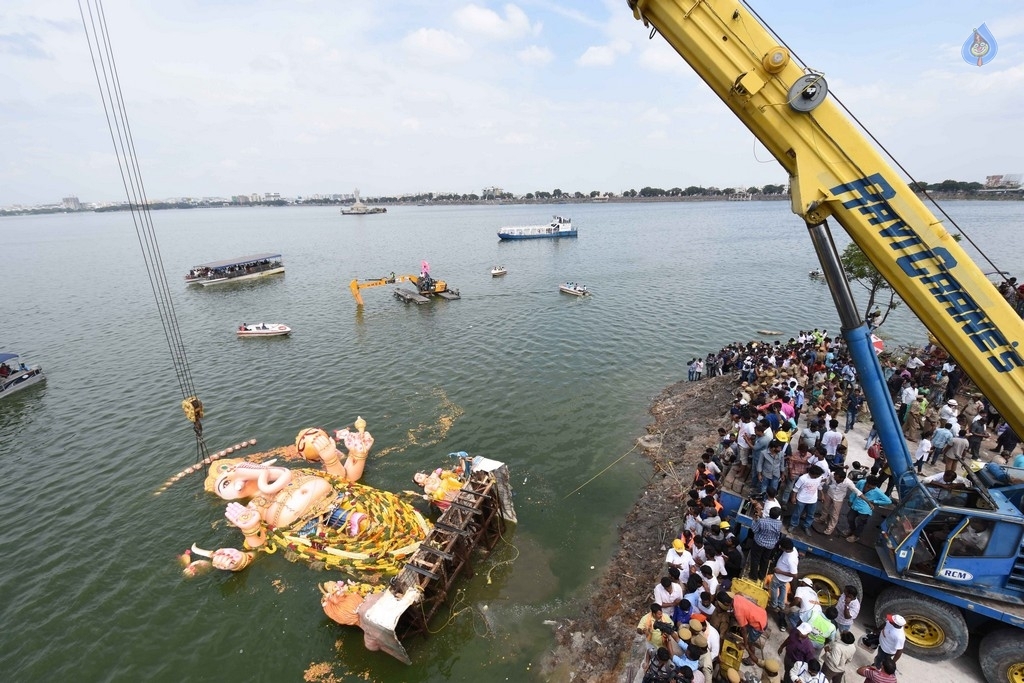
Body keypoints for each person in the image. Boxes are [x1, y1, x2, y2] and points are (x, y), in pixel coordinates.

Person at [844, 476, 889, 542]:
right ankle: (852, 529)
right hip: (855, 505)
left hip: (865, 510)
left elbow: (888, 501)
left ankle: (856, 535)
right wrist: (851, 500)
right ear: (867, 483)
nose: (874, 487)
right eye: (872, 485)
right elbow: (854, 491)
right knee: (850, 518)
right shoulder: (861, 482)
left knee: (861, 523)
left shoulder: (877, 491)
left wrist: (874, 501)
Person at [770, 538, 799, 630]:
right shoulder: (793, 549)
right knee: (783, 588)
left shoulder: (791, 559)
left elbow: (795, 574)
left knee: (773, 588)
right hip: (784, 579)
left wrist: (780, 571)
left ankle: (774, 604)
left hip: (780, 577)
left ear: (786, 549)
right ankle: (781, 604)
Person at [790, 465, 827, 534]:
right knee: (797, 513)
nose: (818, 477)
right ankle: (793, 525)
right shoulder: (802, 478)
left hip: (813, 500)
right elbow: (795, 489)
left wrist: (822, 495)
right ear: (812, 473)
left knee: (810, 515)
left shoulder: (819, 478)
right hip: (801, 499)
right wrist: (793, 497)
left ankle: (806, 526)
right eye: (817, 475)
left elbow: (819, 486)